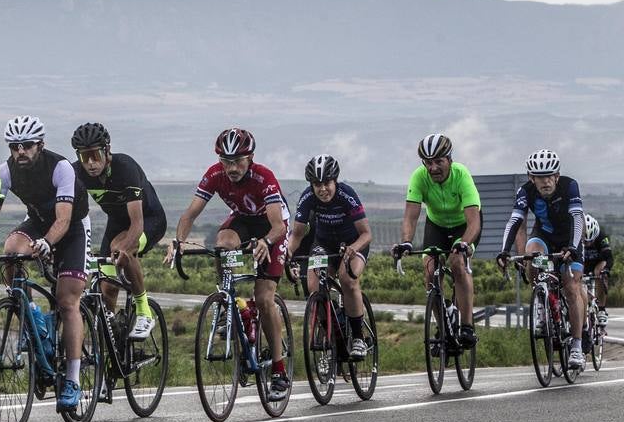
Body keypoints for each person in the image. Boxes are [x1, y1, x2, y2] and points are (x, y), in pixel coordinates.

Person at [167, 128, 291, 401]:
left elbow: (277, 225)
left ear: (251, 158)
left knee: (264, 296)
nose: (232, 168)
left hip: (273, 226)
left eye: (238, 161)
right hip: (244, 220)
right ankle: (229, 300)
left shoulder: (264, 177)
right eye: (226, 162)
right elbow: (190, 213)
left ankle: (280, 371)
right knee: (223, 243)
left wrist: (266, 242)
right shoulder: (214, 174)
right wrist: (178, 242)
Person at [0, 116, 90, 413]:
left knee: (67, 301)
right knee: (11, 250)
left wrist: (47, 243)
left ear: (40, 145)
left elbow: (64, 219)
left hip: (70, 229)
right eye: (15, 146)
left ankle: (72, 379)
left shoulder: (61, 168)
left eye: (27, 145)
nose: (21, 151)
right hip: (38, 222)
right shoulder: (5, 171)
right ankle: (30, 312)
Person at [69, 121, 166, 340]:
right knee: (107, 288)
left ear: (107, 150)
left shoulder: (126, 168)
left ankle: (143, 310)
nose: (91, 163)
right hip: (116, 223)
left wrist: (125, 248)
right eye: (85, 157)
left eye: (95, 155)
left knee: (122, 248)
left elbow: (136, 223)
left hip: (149, 221)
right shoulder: (76, 173)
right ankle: (112, 339)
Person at [494, 149, 587, 372]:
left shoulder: (569, 185)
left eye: (549, 176)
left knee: (571, 287)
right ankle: (541, 301)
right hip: (544, 235)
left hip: (570, 239)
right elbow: (515, 220)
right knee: (531, 253)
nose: (545, 181)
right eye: (539, 177)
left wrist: (573, 248)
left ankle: (576, 346)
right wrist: (504, 251)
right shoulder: (525, 191)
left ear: (556, 176)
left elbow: (577, 218)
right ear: (531, 178)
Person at [392, 133, 481, 350]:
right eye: (428, 163)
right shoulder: (419, 177)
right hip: (437, 226)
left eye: (438, 162)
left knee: (457, 262)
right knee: (430, 271)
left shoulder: (462, 175)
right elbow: (410, 216)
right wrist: (406, 242)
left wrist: (464, 244)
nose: (433, 168)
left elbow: (474, 221)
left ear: (449, 159)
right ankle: (443, 329)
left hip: (464, 226)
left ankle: (467, 326)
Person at [285, 155, 373, 359]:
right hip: (324, 245)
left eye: (327, 183)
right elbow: (297, 235)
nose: (323, 189)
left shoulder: (346, 195)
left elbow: (367, 234)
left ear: (335, 181)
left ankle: (359, 337)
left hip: (354, 243)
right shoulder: (307, 197)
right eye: (317, 184)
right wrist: (287, 253)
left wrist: (353, 248)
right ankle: (333, 330)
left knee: (347, 279)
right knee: (313, 287)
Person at [581, 213, 612, 324]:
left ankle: (602, 309)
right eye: (585, 241)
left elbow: (609, 257)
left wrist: (606, 270)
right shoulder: (575, 236)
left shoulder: (602, 237)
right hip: (582, 265)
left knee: (601, 272)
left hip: (596, 264)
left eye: (591, 241)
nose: (588, 244)